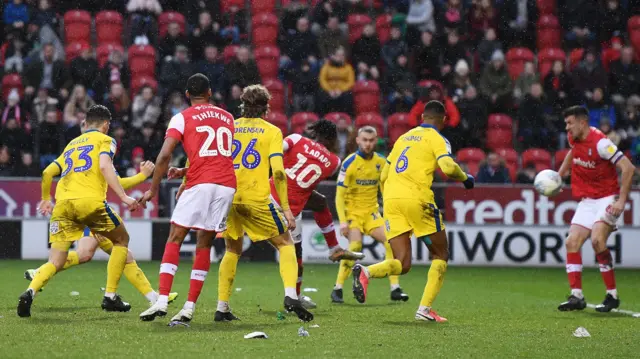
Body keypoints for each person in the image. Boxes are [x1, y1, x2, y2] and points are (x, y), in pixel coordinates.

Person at [170, 120, 364, 309]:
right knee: (295, 250)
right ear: (333, 140)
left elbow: (276, 153)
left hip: (266, 195)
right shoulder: (334, 162)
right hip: (289, 209)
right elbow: (307, 180)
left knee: (234, 249)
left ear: (314, 133)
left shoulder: (296, 139)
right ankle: (307, 278)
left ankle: (222, 302)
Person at [351, 101, 475, 322]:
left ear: (422, 118)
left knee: (403, 263)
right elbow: (447, 167)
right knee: (440, 255)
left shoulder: (404, 137)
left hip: (391, 201)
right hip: (418, 200)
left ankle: (366, 272)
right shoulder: (438, 139)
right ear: (444, 120)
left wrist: (389, 200)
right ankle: (424, 310)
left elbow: (383, 175)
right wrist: (465, 178)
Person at [18, 105, 140, 317]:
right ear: (106, 125)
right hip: (89, 202)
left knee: (55, 261)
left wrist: (46, 199)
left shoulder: (72, 144)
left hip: (63, 205)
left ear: (86, 123)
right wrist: (124, 197)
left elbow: (47, 172)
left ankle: (30, 292)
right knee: (121, 241)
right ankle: (110, 296)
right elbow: (104, 167)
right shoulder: (105, 140)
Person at [137, 74, 237, 323]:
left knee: (175, 237)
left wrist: (152, 189)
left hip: (201, 183)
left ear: (186, 95)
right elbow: (216, 153)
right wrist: (185, 171)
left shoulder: (181, 118)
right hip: (226, 185)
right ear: (210, 92)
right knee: (204, 244)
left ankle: (161, 300)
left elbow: (163, 156)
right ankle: (189, 308)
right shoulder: (228, 117)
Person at [214, 84, 314, 322]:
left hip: (229, 197)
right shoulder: (272, 131)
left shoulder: (229, 128)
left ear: (243, 105)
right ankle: (291, 295)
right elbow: (279, 173)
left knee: (232, 250)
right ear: (266, 108)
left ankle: (222, 307)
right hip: (256, 197)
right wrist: (287, 210)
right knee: (286, 243)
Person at [23, 161, 178, 305]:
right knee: (106, 249)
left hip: (70, 208)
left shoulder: (73, 151)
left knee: (102, 254)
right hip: (90, 211)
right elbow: (119, 183)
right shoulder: (100, 152)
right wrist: (143, 175)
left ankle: (152, 296)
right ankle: (119, 296)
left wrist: (46, 198)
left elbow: (48, 172)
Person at [557, 106, 636, 313]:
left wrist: (621, 201)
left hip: (607, 199)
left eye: (570, 123)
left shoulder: (601, 143)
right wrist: (561, 173)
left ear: (582, 123)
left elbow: (628, 168)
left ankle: (612, 295)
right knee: (571, 242)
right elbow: (573, 152)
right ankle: (577, 296)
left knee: (597, 240)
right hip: (587, 201)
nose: (567, 127)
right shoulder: (573, 138)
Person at [331, 126, 409, 304]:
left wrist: (391, 215)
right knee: (355, 246)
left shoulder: (381, 162)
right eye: (364, 140)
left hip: (372, 213)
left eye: (371, 140)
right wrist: (343, 222)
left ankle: (395, 288)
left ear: (376, 141)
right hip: (353, 214)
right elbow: (339, 196)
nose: (367, 144)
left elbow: (385, 192)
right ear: (357, 140)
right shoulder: (349, 163)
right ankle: (338, 288)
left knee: (391, 242)